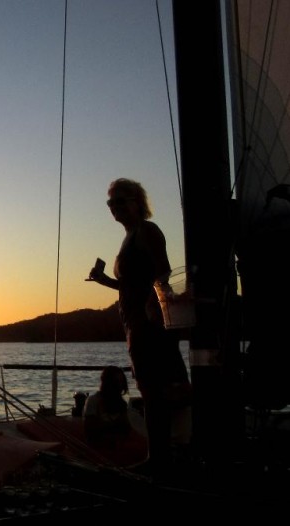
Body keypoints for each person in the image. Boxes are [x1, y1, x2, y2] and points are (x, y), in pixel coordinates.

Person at [88, 178, 191, 476]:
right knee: (149, 389)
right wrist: (103, 280)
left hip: (149, 322)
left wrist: (151, 303)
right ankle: (160, 455)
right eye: (111, 203)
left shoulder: (147, 231)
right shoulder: (130, 236)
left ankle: (160, 459)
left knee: (155, 390)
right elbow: (128, 285)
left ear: (137, 202)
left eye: (121, 200)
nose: (115, 207)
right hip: (134, 321)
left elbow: (163, 269)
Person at [82, 366, 132, 448]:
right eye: (117, 382)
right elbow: (90, 431)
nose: (120, 386)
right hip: (99, 448)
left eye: (122, 382)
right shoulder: (93, 401)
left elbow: (126, 430)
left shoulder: (122, 404)